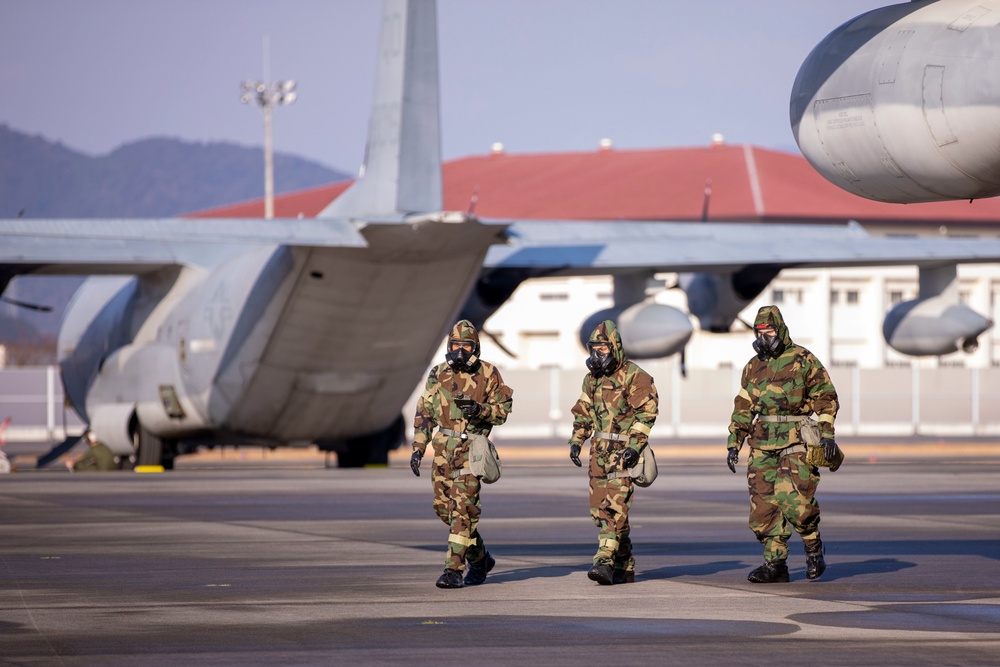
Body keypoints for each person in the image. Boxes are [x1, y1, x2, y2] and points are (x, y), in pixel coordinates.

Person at [726, 305, 841, 583]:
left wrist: (827, 435)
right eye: (759, 332)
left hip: (796, 439)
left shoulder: (803, 359)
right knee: (763, 506)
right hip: (762, 442)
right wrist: (734, 442)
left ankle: (813, 547)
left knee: (795, 501)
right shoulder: (753, 366)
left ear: (780, 329)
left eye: (769, 331)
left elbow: (826, 398)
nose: (764, 337)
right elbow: (743, 407)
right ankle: (775, 564)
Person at [409, 320, 513, 589]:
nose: (459, 351)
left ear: (475, 347)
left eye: (465, 346)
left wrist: (480, 410)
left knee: (463, 510)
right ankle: (480, 558)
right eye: (455, 345)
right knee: (445, 511)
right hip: (443, 451)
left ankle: (453, 570)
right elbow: (425, 412)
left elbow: (502, 412)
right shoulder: (438, 373)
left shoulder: (489, 373)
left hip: (472, 450)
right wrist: (419, 448)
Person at [568, 320, 658, 585]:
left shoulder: (636, 376)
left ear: (615, 348)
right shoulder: (591, 379)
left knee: (612, 510)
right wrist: (577, 440)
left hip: (623, 452)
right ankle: (624, 565)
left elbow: (646, 413)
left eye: (603, 349)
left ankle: (604, 562)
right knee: (600, 512)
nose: (598, 355)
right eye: (594, 349)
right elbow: (583, 412)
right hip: (598, 454)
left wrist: (634, 446)